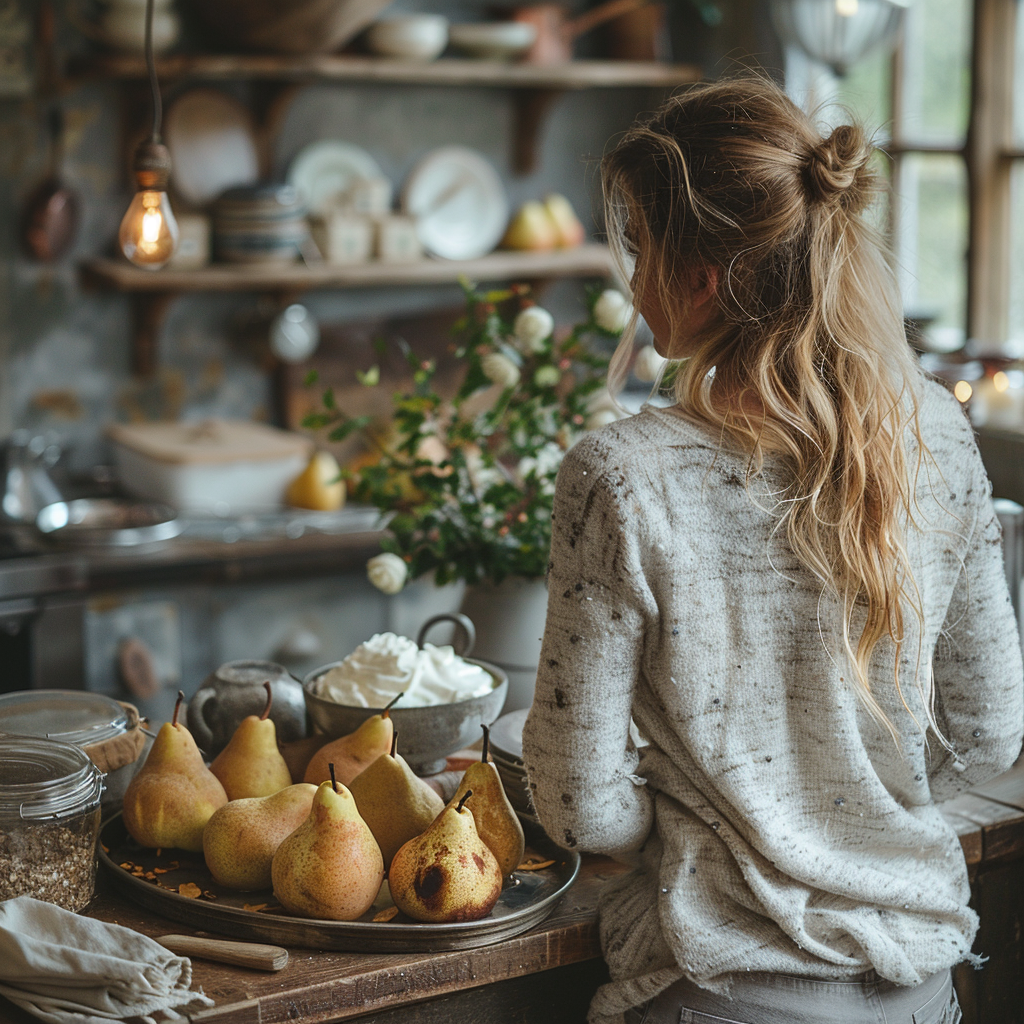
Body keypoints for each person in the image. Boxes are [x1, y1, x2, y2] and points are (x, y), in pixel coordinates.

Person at [521, 75, 1024, 1024]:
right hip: (919, 992)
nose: (632, 283)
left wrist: (728, 812)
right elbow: (990, 731)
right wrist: (853, 809)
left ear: (700, 275)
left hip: (720, 992)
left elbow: (580, 807)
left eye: (641, 248)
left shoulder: (622, 475)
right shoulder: (936, 434)